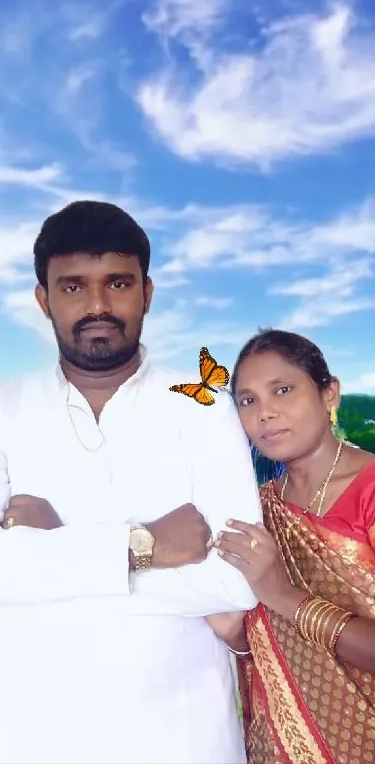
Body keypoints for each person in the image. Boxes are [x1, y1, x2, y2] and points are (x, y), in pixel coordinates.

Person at [0, 200, 262, 764]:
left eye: (117, 283)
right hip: (30, 734)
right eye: (72, 287)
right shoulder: (4, 406)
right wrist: (142, 546)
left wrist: (48, 558)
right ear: (43, 300)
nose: (97, 305)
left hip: (185, 738)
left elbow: (237, 584)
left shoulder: (203, 407)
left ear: (146, 291)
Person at [210, 329, 375, 764]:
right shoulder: (254, 510)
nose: (265, 413)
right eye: (247, 400)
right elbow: (258, 643)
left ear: (329, 393)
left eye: (282, 390)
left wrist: (284, 596)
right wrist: (237, 638)